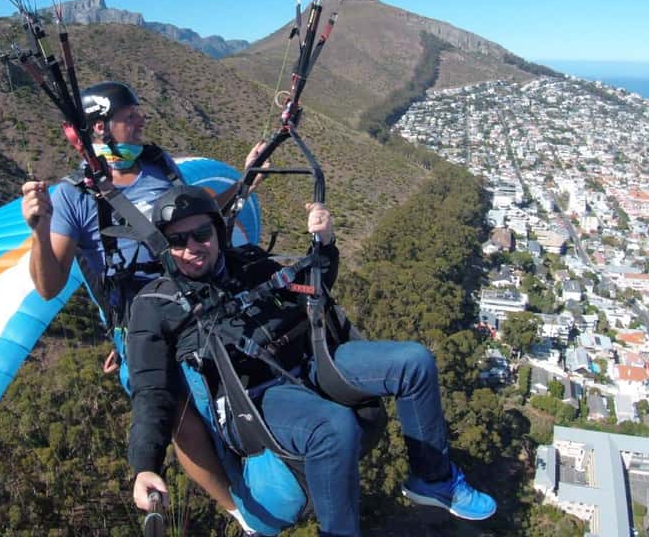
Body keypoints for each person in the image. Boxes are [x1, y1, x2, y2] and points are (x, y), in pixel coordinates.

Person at [125, 186, 497, 536]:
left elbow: (314, 287)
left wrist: (326, 242)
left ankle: (432, 480)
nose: (191, 247)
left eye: (201, 234)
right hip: (254, 399)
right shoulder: (154, 305)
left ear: (218, 233)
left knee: (414, 362)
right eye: (177, 240)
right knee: (333, 426)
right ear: (163, 247)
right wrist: (145, 466)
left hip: (308, 362)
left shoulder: (249, 263)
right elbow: (151, 392)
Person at [20, 81, 265, 526]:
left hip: (195, 292)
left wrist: (244, 180)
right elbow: (48, 286)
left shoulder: (158, 163)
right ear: (100, 128)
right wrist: (39, 228)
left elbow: (199, 212)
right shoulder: (72, 196)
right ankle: (241, 514)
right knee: (174, 415)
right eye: (130, 117)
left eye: (139, 115)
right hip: (143, 318)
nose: (141, 122)